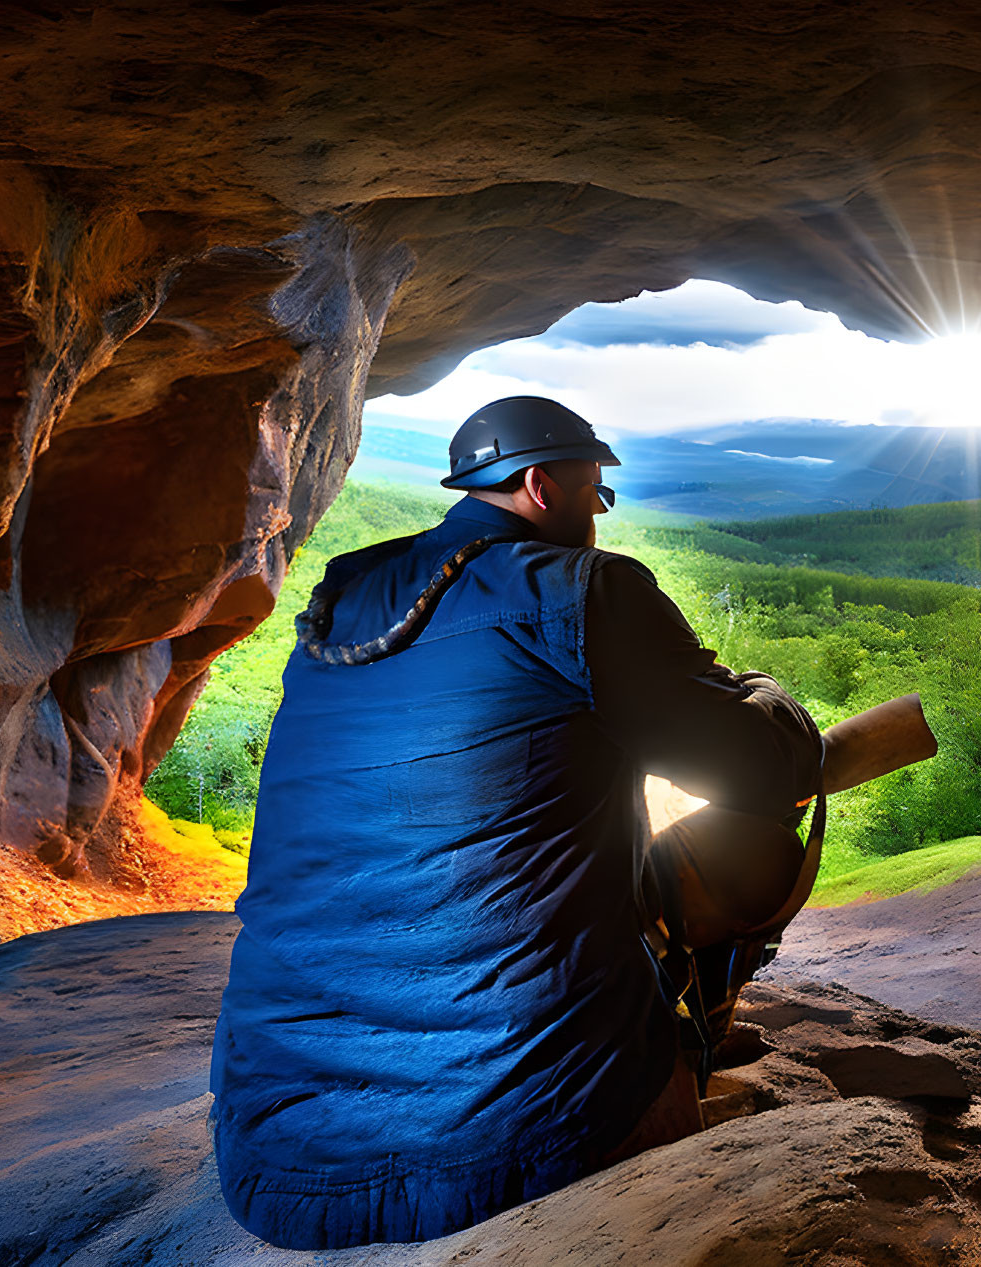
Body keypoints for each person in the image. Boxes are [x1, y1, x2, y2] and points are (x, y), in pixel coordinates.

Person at [209, 396, 822, 1249]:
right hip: (529, 1133)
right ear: (542, 486)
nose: (600, 517)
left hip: (277, 1159)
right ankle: (690, 1037)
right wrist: (764, 692)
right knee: (752, 840)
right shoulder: (582, 591)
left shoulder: (345, 598)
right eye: (594, 494)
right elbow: (760, 766)